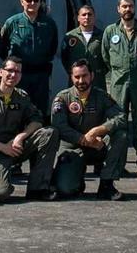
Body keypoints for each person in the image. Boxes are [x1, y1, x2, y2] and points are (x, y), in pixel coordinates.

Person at [0, 57, 57, 202]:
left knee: (49, 133)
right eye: (9, 70)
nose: (13, 75)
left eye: (17, 72)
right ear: (0, 72)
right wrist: (2, 148)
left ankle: (38, 188)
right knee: (1, 194)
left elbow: (37, 120)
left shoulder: (21, 96)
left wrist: (20, 137)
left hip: (14, 147)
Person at [51, 58, 127, 198]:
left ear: (92, 75)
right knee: (66, 189)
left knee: (121, 135)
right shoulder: (62, 98)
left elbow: (121, 117)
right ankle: (76, 180)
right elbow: (59, 126)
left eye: (84, 76)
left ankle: (106, 184)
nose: (81, 81)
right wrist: (83, 139)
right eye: (77, 77)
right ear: (71, 77)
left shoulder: (102, 96)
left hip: (97, 147)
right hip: (72, 149)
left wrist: (100, 129)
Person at [0, 0, 62, 109]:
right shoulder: (12, 22)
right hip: (19, 74)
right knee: (16, 107)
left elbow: (53, 47)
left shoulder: (49, 23)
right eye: (28, 0)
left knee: (39, 108)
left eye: (36, 0)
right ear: (22, 1)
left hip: (41, 74)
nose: (32, 3)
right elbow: (2, 46)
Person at [101, 0, 137, 135]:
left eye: (130, 6)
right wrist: (119, 68)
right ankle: (118, 155)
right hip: (118, 82)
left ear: (134, 8)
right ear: (118, 9)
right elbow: (105, 55)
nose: (127, 9)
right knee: (118, 118)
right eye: (124, 6)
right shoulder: (110, 31)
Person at [61, 4, 105, 90]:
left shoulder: (102, 36)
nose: (87, 17)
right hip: (77, 81)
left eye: (90, 14)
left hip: (97, 81)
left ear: (94, 17)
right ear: (78, 18)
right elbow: (65, 58)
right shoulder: (69, 36)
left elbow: (107, 58)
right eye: (83, 15)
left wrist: (98, 70)